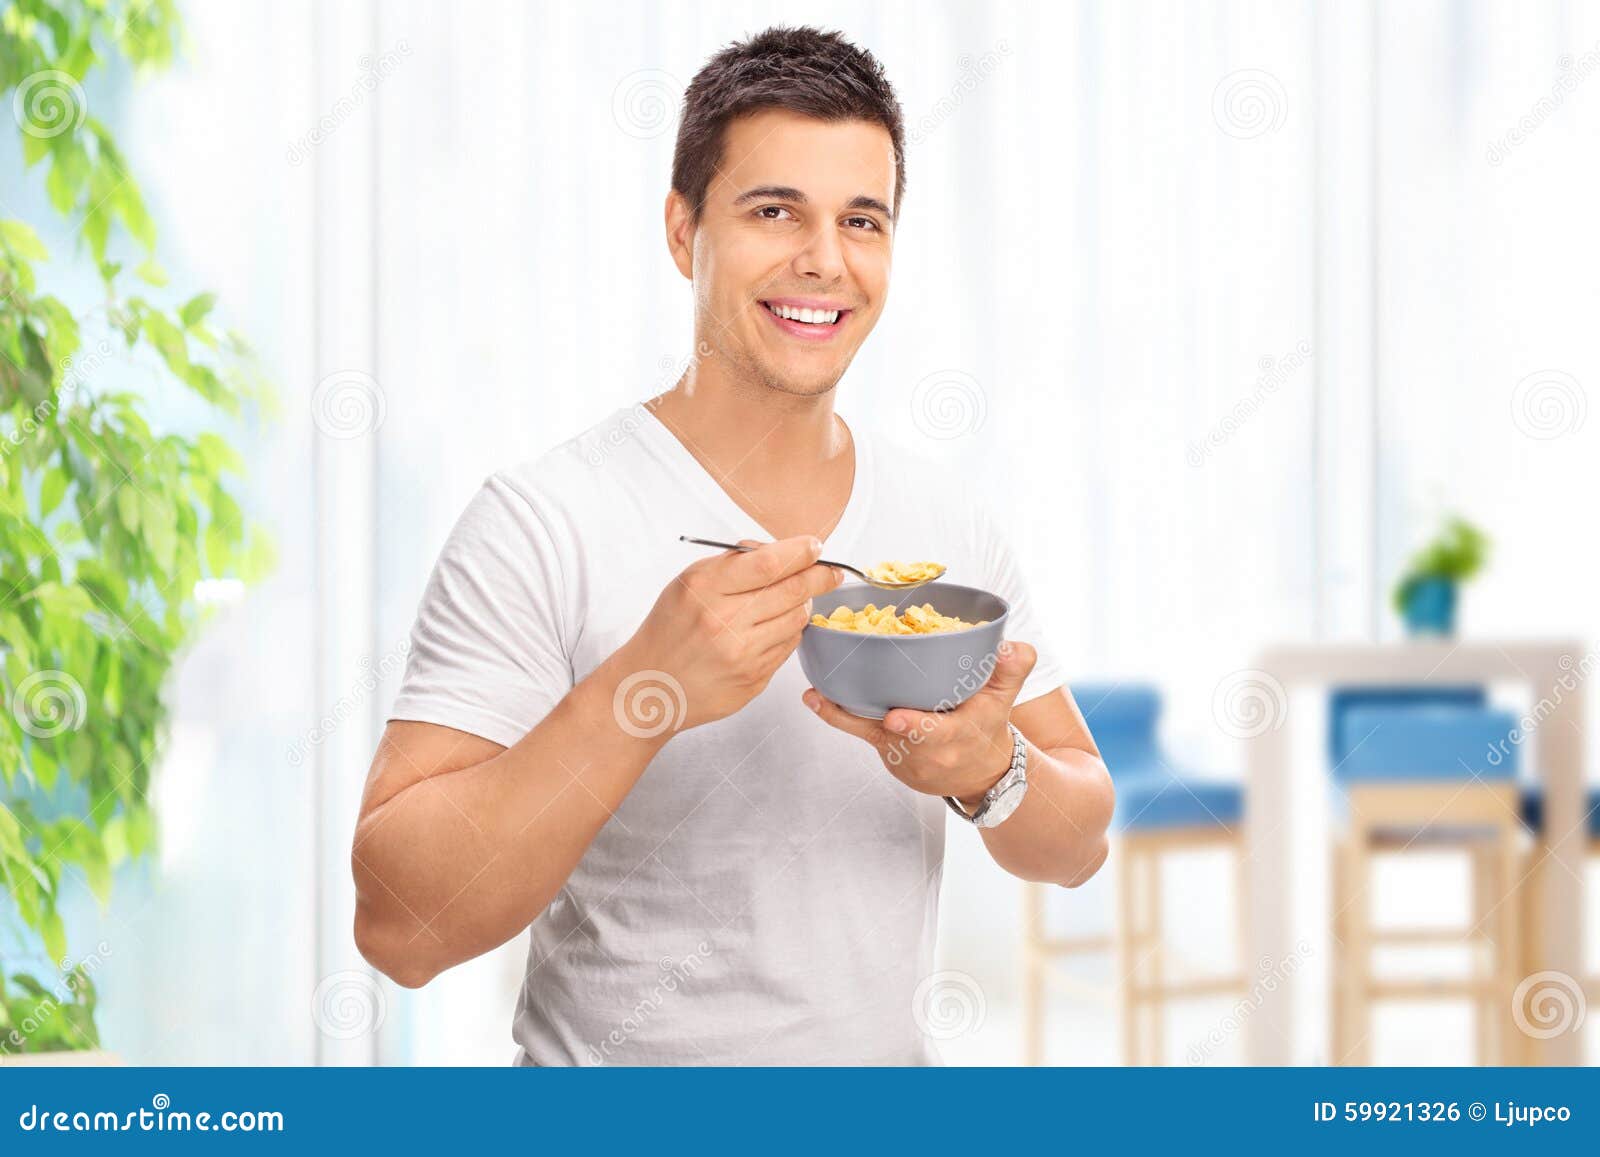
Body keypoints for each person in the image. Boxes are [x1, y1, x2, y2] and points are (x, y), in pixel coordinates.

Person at [352, 25, 1114, 1066]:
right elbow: (400, 928)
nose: (825, 260)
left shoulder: (944, 523)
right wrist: (642, 691)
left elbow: (1079, 842)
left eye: (862, 220)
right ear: (683, 231)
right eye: (773, 211)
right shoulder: (542, 521)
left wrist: (993, 768)